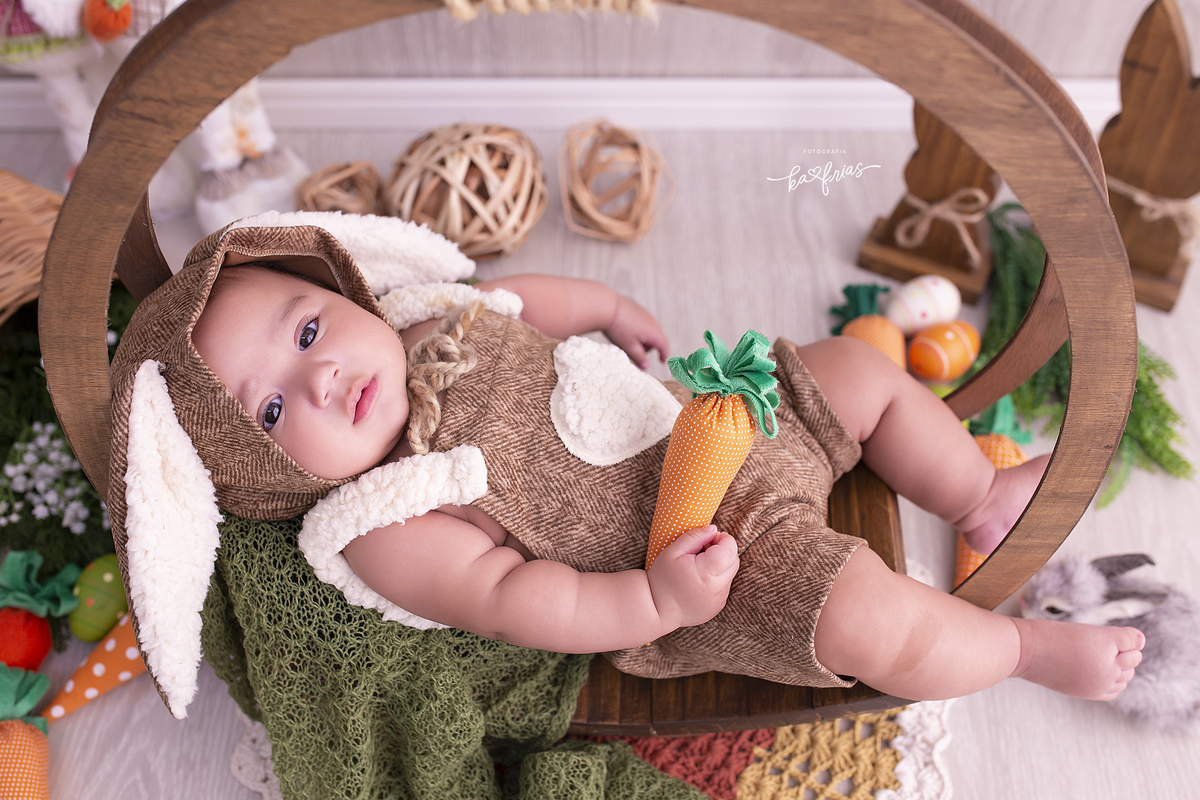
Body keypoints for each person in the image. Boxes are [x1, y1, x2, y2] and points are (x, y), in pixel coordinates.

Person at [181, 259, 1144, 705]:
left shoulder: (428, 316)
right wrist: (657, 596)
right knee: (867, 621)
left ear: (341, 293)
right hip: (704, 561)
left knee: (853, 370)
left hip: (709, 419)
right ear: (272, 476)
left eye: (308, 331)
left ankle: (976, 493)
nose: (322, 378)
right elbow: (515, 597)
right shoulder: (386, 516)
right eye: (272, 412)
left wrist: (606, 304)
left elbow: (530, 303)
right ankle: (1021, 651)